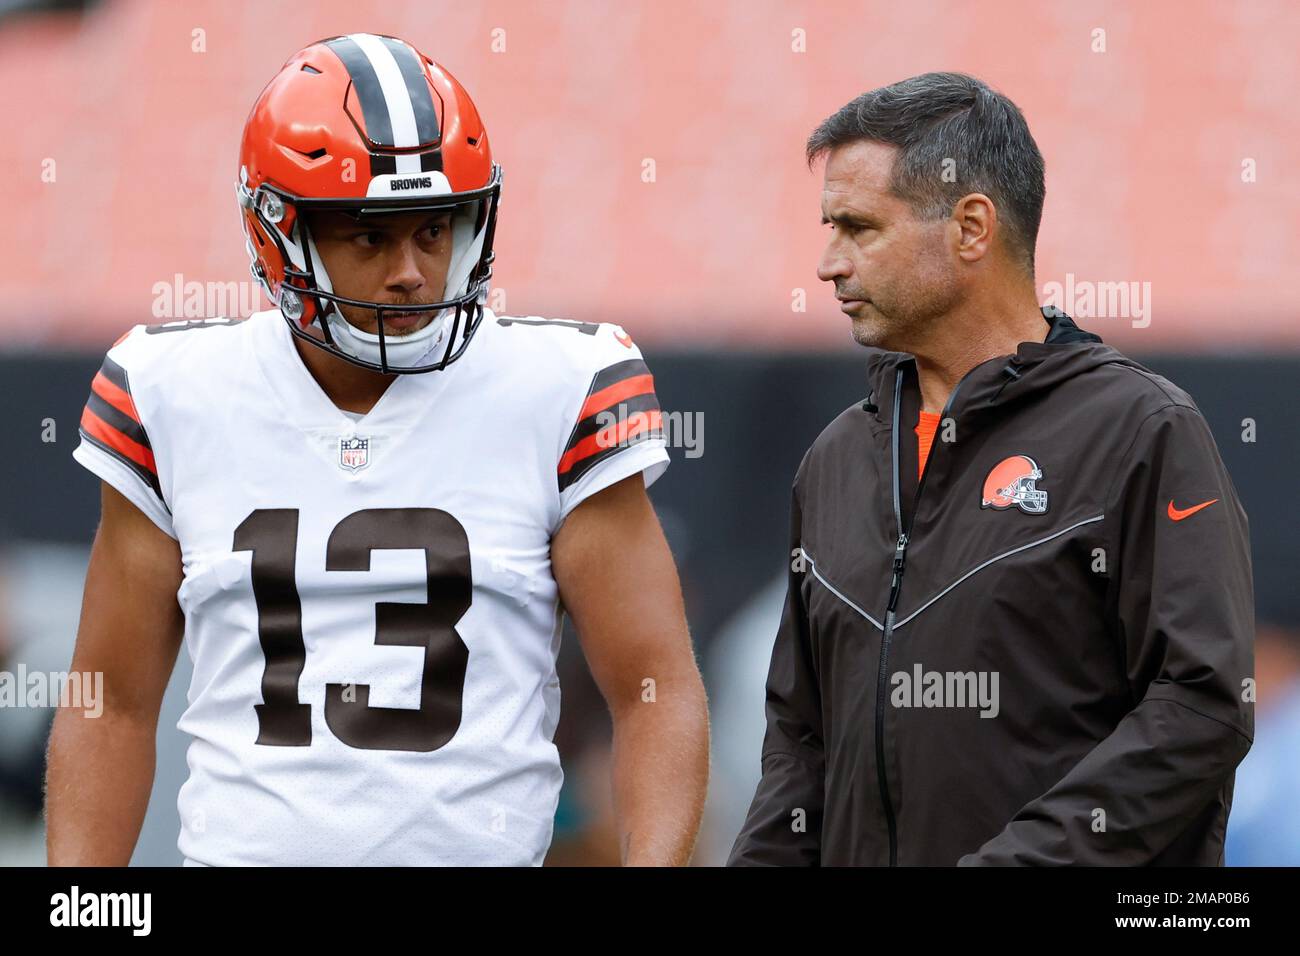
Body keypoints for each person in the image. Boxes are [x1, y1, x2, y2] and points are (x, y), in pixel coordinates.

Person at [47, 33, 708, 867]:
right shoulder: (171, 390)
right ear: (275, 234)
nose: (413, 273)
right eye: (369, 236)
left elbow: (654, 690)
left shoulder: (560, 387)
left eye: (436, 229)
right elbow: (111, 700)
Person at [729, 72, 1253, 866]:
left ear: (972, 226)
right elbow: (799, 744)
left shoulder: (1144, 432)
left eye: (858, 227)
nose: (827, 264)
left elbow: (1202, 707)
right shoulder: (836, 458)